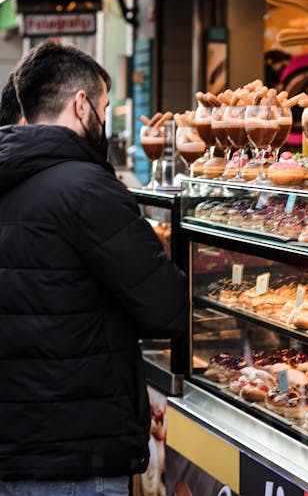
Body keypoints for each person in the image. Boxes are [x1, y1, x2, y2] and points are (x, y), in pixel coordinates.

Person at [0, 40, 188, 496]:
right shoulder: (87, 189)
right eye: (104, 108)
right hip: (76, 456)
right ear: (80, 105)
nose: (104, 122)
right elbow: (167, 310)